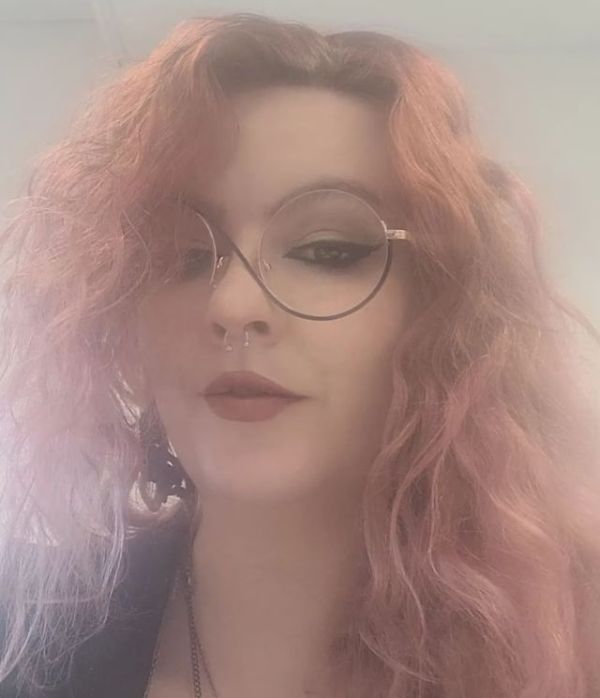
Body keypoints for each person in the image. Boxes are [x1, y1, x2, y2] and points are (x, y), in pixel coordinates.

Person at [1, 11, 599, 698]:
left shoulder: (570, 642)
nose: (232, 305)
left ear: (447, 307)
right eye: (180, 256)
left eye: (327, 251)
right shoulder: (25, 633)